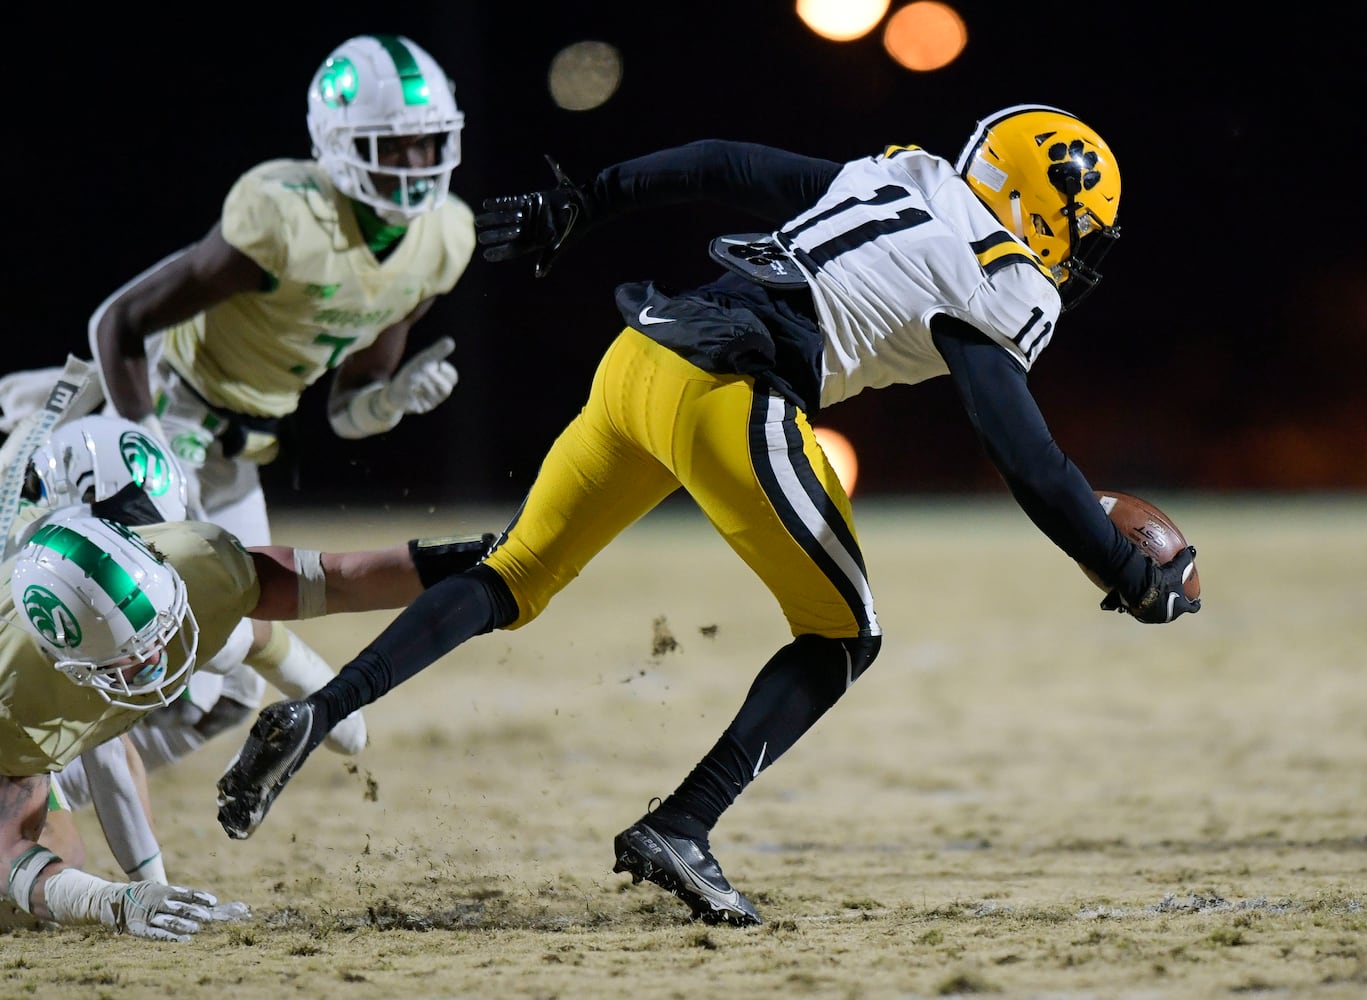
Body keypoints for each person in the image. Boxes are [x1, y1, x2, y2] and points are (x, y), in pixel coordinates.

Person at [215, 106, 1202, 926]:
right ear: (1040, 208)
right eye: (1076, 233)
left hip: (642, 355)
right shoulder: (1001, 278)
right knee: (842, 634)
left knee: (514, 572)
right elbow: (1024, 456)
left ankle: (318, 710)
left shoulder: (900, 178)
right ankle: (681, 825)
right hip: (734, 394)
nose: (1074, 259)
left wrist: (583, 200)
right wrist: (1129, 572)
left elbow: (716, 161)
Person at [82, 33, 476, 777]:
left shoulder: (442, 239)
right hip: (166, 418)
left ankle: (83, 771)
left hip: (241, 453)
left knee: (220, 695)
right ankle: (53, 761)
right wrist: (139, 456)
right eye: (392, 146)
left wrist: (390, 400)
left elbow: (345, 410)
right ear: (335, 142)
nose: (415, 166)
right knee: (161, 628)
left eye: (427, 145)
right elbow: (120, 324)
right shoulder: (283, 213)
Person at [1, 503, 491, 939]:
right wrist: (117, 902)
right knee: (42, 882)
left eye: (161, 628)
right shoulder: (19, 704)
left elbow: (334, 578)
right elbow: (9, 855)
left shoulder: (194, 559)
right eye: (135, 654)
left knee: (225, 614)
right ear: (72, 662)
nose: (159, 656)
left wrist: (462, 558)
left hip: (76, 621)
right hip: (24, 726)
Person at [9, 412, 375, 885]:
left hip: (42, 714)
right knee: (55, 859)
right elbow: (110, 754)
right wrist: (152, 889)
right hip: (13, 730)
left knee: (221, 682)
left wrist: (332, 710)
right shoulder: (51, 588)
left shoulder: (54, 524)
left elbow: (246, 633)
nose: (142, 556)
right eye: (131, 540)